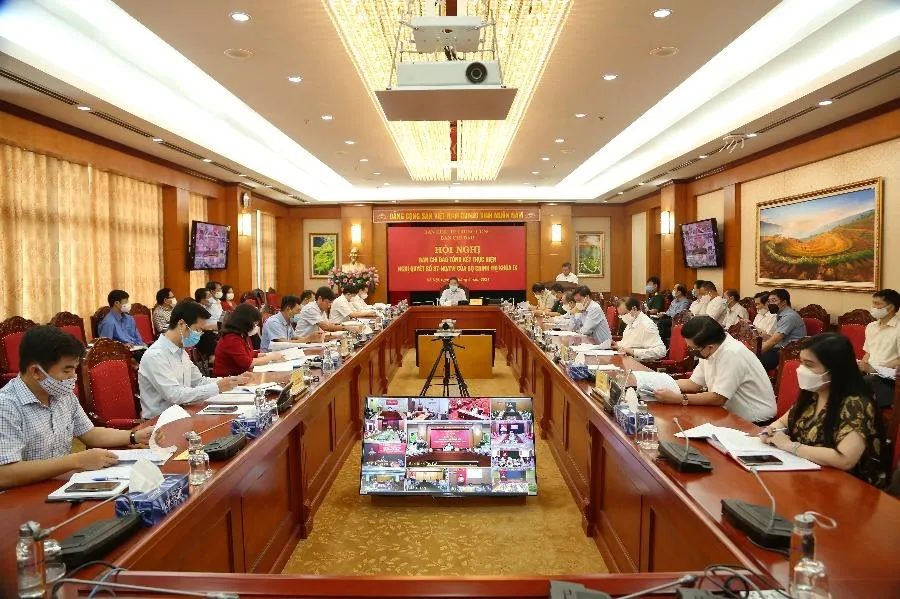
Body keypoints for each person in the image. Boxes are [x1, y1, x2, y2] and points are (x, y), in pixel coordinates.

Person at [0, 327, 154, 489]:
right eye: (67, 370)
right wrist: (76, 461)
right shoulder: (6, 405)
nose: (73, 377)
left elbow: (90, 434)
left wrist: (134, 436)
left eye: (75, 369)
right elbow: (4, 474)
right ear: (36, 372)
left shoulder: (62, 394)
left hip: (62, 486)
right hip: (23, 494)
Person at [761, 333, 885, 487]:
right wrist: (771, 431)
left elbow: (844, 459)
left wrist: (790, 446)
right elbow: (782, 422)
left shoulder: (857, 404)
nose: (801, 370)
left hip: (848, 486)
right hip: (807, 476)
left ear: (834, 369)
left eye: (809, 365)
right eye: (801, 363)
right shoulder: (812, 393)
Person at [654, 316, 777, 424]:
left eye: (693, 348)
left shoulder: (732, 353)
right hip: (726, 413)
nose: (691, 351)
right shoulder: (709, 349)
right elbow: (693, 384)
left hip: (754, 421)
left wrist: (677, 398)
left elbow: (718, 398)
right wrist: (658, 384)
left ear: (710, 347)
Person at [138, 301, 247, 418]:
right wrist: (217, 387)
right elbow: (175, 395)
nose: (199, 334)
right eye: (197, 329)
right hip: (160, 420)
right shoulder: (156, 355)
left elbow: (198, 381)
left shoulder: (181, 351)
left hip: (183, 413)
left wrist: (232, 381)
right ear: (181, 324)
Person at [213, 304, 285, 377]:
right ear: (245, 322)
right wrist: (271, 357)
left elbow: (248, 354)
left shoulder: (240, 334)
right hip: (227, 378)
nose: (255, 326)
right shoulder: (231, 338)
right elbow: (247, 363)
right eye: (254, 323)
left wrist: (267, 355)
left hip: (238, 375)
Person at [858, 288, 900, 408]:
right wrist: (863, 364)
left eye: (877, 304)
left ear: (890, 308)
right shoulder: (871, 327)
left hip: (888, 380)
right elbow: (868, 353)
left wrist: (877, 369)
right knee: (841, 376)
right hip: (869, 374)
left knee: (860, 385)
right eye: (873, 303)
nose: (873, 307)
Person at [759, 288, 807, 371]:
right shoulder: (781, 314)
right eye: (769, 301)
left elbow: (774, 341)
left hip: (790, 353)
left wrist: (755, 352)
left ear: (784, 302)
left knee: (754, 361)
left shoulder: (789, 316)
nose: (771, 304)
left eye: (774, 300)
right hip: (780, 348)